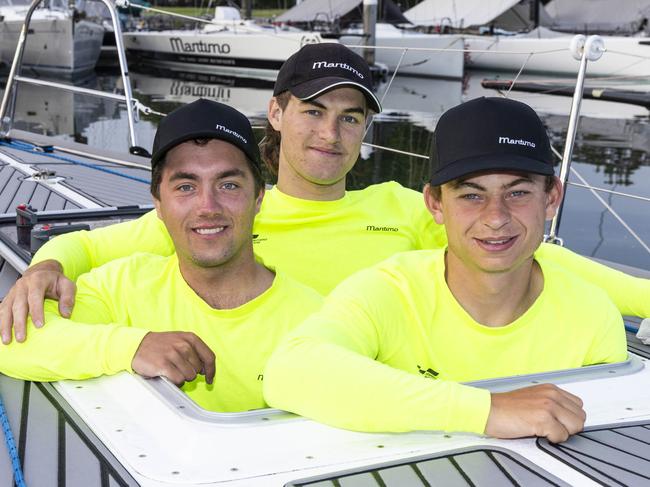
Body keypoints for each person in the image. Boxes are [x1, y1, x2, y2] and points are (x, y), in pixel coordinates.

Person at [1, 43, 649, 344]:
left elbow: (533, 258)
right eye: (314, 110)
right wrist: (48, 266)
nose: (330, 132)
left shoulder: (399, 205)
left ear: (366, 132)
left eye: (351, 118)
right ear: (277, 113)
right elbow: (96, 244)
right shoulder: (225, 214)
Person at [262, 97, 628, 443]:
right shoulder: (389, 291)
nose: (496, 218)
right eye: (471, 195)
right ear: (435, 204)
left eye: (517, 193)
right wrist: (488, 411)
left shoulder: (592, 317)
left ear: (551, 199)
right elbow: (291, 371)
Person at [0, 99, 322, 412]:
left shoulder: (315, 319)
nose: (208, 207)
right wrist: (132, 347)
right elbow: (10, 343)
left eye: (228, 185)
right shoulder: (123, 288)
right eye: (185, 187)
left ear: (258, 198)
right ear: (158, 204)